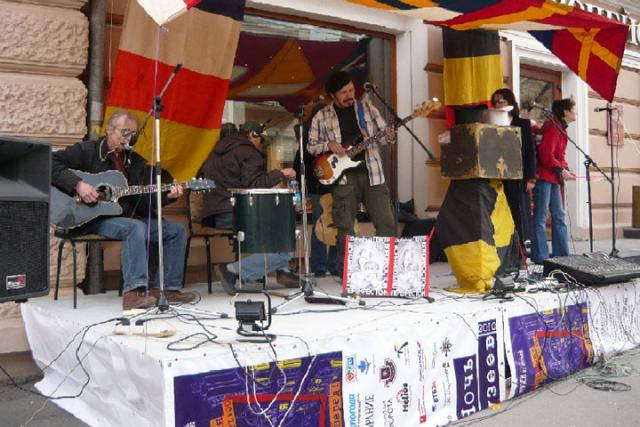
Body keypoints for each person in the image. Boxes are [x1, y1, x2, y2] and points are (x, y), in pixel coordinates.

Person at [51, 110, 192, 311]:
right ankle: (133, 292)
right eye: (125, 132)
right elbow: (50, 162)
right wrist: (79, 184)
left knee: (175, 230)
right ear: (109, 130)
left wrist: (168, 197)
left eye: (133, 134)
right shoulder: (88, 151)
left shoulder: (134, 162)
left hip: (123, 217)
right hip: (91, 218)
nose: (129, 138)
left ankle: (167, 288)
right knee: (134, 228)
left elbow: (142, 202)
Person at [308, 71, 396, 277]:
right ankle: (347, 275)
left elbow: (385, 138)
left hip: (373, 174)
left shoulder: (367, 109)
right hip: (343, 179)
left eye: (350, 90)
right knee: (345, 227)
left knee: (386, 222)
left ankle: (386, 272)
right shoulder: (322, 116)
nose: (349, 95)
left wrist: (389, 135)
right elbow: (311, 146)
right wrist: (328, 145)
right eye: (343, 92)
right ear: (333, 95)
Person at [200, 121, 299, 294]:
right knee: (283, 233)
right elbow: (254, 184)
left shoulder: (216, 150)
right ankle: (232, 271)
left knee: (276, 230)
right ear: (253, 135)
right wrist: (280, 173)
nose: (261, 146)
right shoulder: (248, 152)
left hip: (213, 214)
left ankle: (283, 271)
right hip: (233, 213)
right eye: (261, 141)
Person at [293, 103, 338, 277]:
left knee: (335, 223)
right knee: (323, 223)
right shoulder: (309, 134)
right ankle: (323, 264)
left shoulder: (331, 131)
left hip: (332, 184)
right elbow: (300, 162)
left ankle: (329, 264)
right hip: (319, 185)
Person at [531, 98, 577, 263]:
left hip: (554, 178)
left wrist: (566, 169)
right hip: (544, 177)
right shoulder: (553, 128)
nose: (576, 112)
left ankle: (562, 256)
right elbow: (546, 154)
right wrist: (561, 170)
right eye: (574, 109)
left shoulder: (561, 129)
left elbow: (560, 155)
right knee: (541, 216)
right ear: (565, 112)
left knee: (559, 215)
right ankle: (541, 256)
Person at [491, 88, 537, 245]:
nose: (497, 105)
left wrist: (531, 177)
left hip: (518, 175)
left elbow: (530, 151)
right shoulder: (491, 124)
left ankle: (520, 246)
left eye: (500, 101)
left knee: (518, 210)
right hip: (498, 174)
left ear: (510, 102)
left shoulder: (522, 123)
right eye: (495, 102)